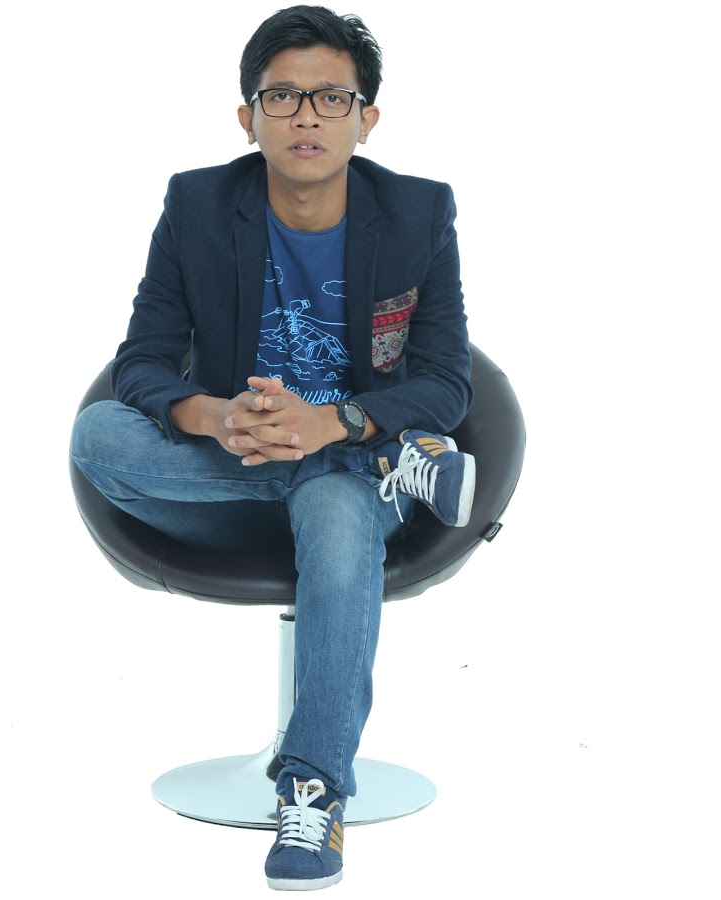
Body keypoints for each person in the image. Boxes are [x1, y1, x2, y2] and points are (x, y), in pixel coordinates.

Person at [70, 5, 475, 890]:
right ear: (246, 116)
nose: (305, 116)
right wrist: (213, 417)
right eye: (281, 96)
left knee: (336, 510)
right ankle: (381, 464)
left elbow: (450, 382)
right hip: (232, 466)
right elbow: (142, 361)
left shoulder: (418, 213)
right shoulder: (196, 205)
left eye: (332, 98)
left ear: (368, 119)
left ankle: (313, 794)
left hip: (346, 467)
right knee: (98, 437)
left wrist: (340, 422)